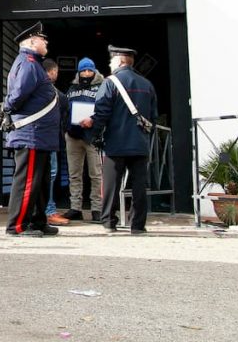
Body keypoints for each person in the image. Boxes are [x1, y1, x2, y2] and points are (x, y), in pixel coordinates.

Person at [81, 45, 158, 235]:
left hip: (115, 143)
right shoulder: (147, 84)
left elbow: (102, 113)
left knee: (111, 184)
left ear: (120, 61)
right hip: (140, 144)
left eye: (111, 61)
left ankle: (109, 222)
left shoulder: (110, 83)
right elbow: (153, 117)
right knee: (139, 186)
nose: (109, 64)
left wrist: (93, 133)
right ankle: (137, 225)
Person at [1, 22, 62, 237]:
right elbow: (17, 95)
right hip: (32, 134)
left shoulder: (34, 63)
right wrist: (7, 108)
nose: (46, 42)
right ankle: (17, 226)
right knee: (27, 182)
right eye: (43, 39)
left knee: (41, 183)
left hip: (40, 136)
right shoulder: (28, 64)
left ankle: (38, 222)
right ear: (33, 41)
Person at [63, 57, 104, 222]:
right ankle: (75, 208)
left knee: (96, 175)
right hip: (73, 135)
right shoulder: (72, 88)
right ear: (78, 72)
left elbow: (105, 109)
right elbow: (65, 109)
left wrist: (93, 120)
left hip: (93, 136)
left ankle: (97, 209)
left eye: (89, 70)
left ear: (94, 71)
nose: (86, 73)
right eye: (83, 71)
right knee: (74, 174)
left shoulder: (102, 87)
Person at [42, 58, 71, 226]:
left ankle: (43, 209)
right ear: (52, 71)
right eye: (56, 72)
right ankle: (49, 211)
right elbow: (64, 116)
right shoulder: (53, 93)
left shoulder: (34, 88)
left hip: (37, 138)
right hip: (49, 138)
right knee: (51, 174)